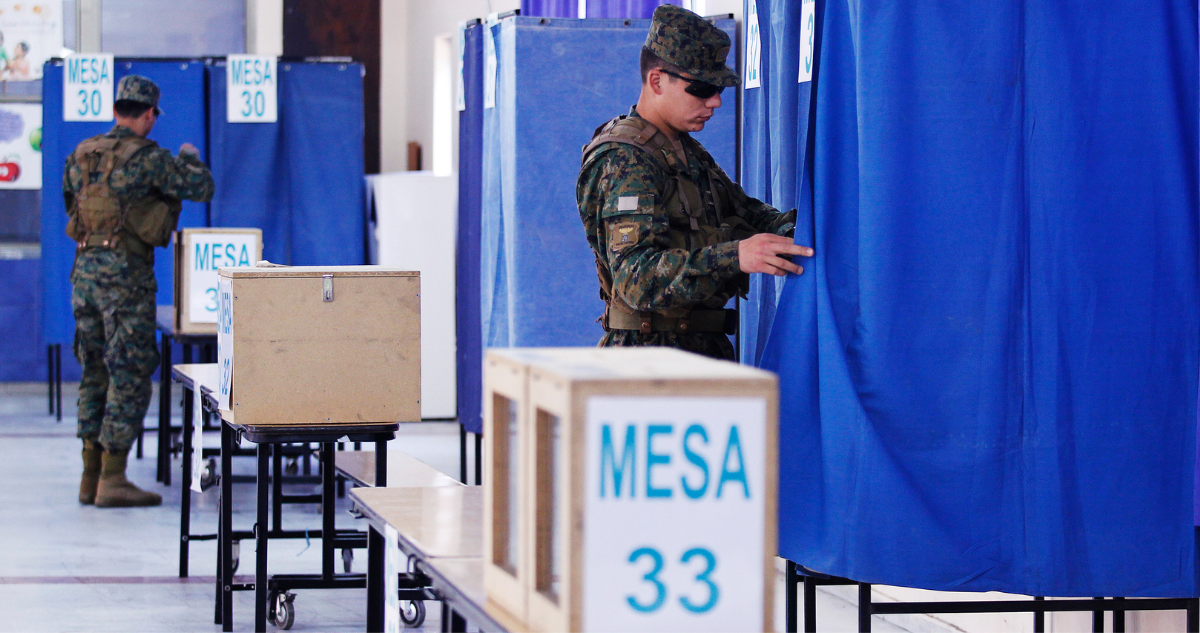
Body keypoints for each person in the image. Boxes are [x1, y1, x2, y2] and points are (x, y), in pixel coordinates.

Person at [577, 4, 813, 360]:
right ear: (657, 81)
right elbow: (636, 279)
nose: (715, 101)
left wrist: (796, 231)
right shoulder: (626, 159)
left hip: (699, 350)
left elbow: (744, 211)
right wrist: (736, 256)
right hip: (649, 361)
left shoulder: (684, 150)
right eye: (702, 88)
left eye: (718, 88)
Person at [64, 75, 215, 507]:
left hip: (83, 275)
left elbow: (71, 205)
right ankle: (113, 478)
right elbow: (202, 188)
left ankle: (90, 476)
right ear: (149, 114)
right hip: (126, 279)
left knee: (94, 370)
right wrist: (190, 159)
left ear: (116, 111)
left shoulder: (81, 155)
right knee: (129, 373)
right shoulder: (150, 159)